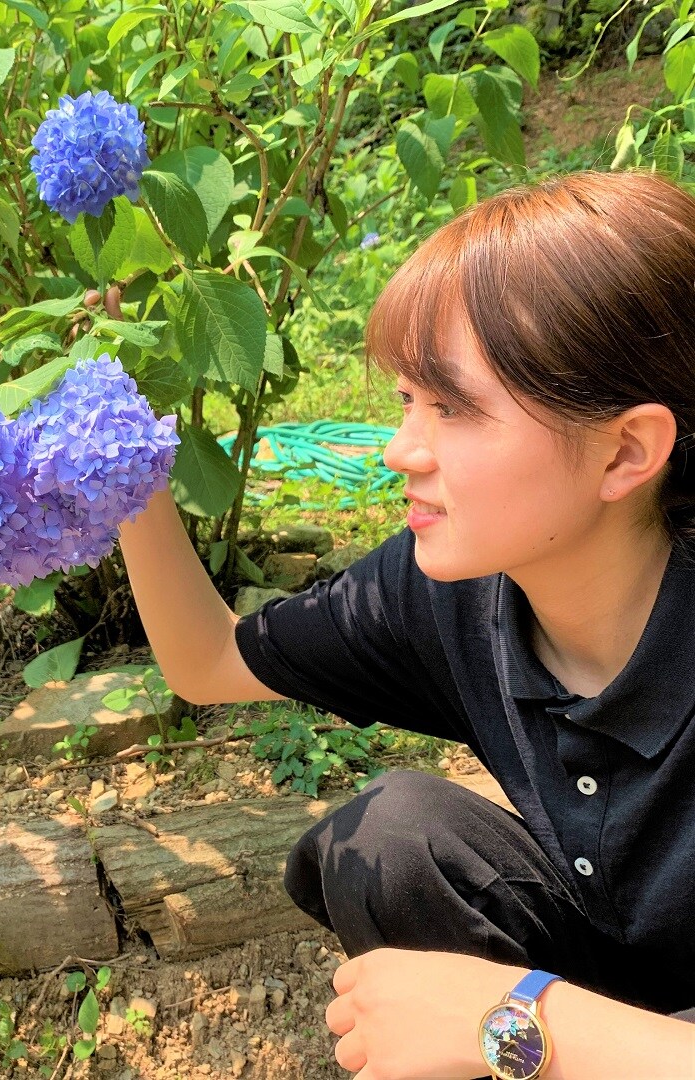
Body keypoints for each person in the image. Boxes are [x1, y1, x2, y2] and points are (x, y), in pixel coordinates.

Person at [118, 169, 695, 1079]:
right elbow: (207, 661)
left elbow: (521, 1027)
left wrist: (510, 1024)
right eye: (404, 400)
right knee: (396, 843)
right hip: (637, 1001)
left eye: (453, 407)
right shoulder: (452, 588)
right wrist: (123, 478)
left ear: (626, 450)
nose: (399, 451)